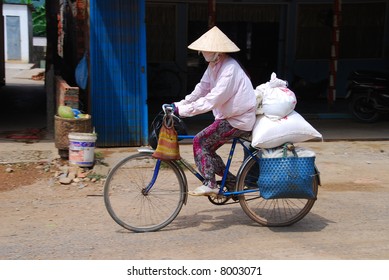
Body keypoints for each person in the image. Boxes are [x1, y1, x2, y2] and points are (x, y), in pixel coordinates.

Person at [170, 26, 257, 196]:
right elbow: (202, 88)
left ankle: (210, 183)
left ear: (218, 51)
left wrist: (184, 110)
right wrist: (180, 103)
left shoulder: (230, 69)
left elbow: (213, 99)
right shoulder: (214, 65)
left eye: (206, 49)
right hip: (228, 117)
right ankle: (232, 182)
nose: (202, 52)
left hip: (238, 120)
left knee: (199, 142)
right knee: (207, 149)